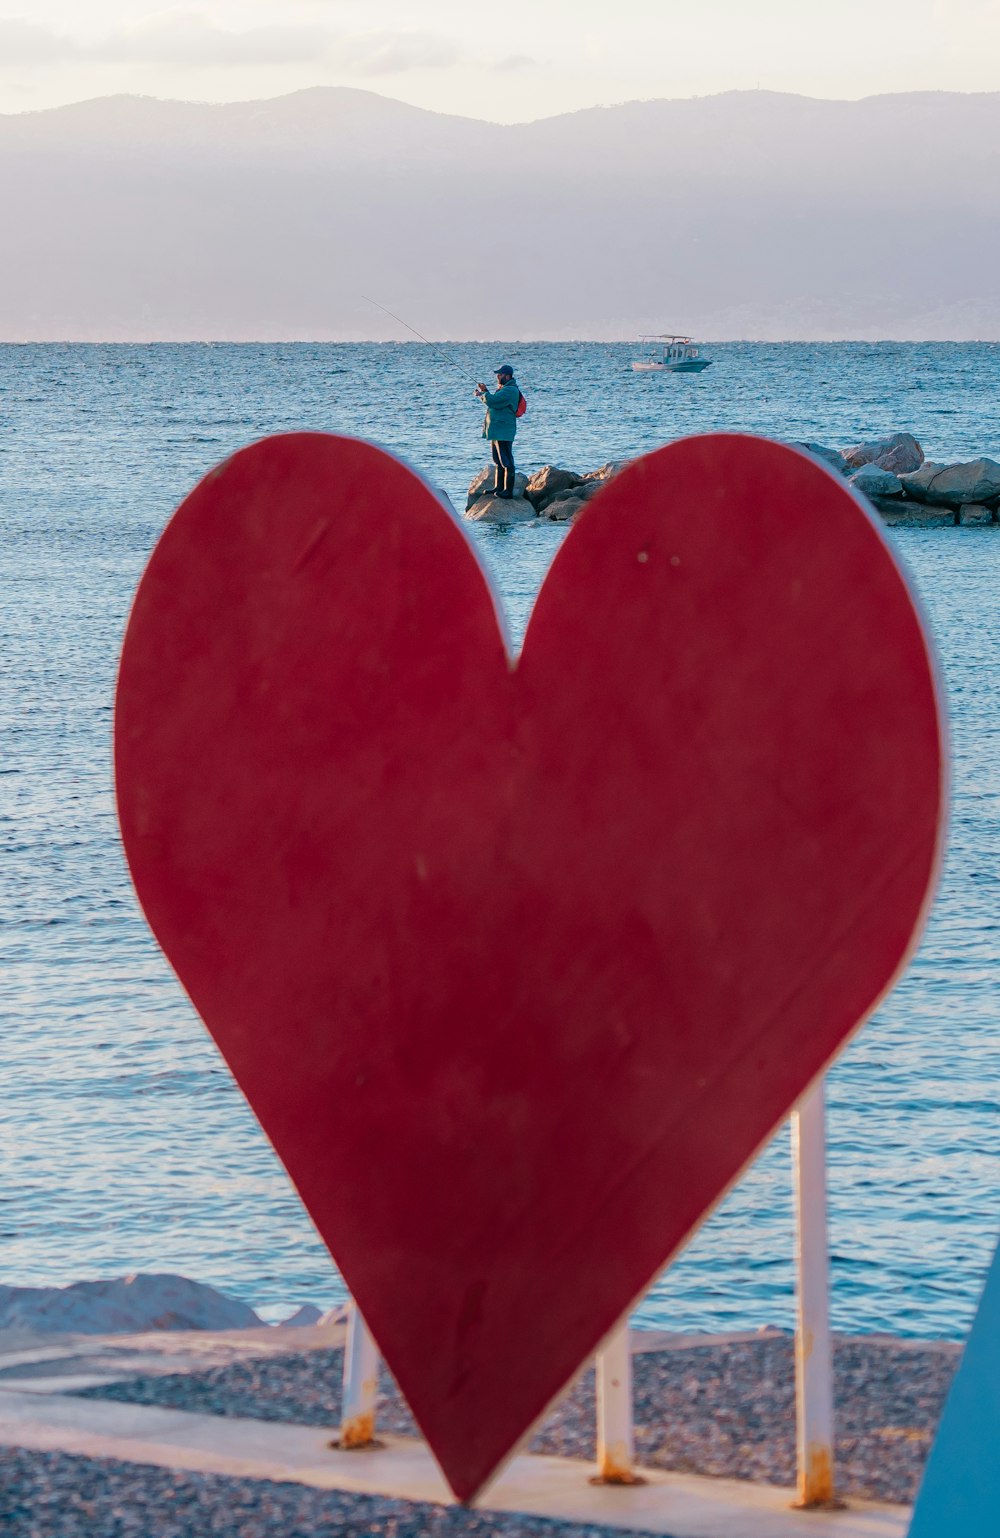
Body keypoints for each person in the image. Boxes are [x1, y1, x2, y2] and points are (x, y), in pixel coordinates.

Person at [475, 364, 520, 498]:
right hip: (497, 430)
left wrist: (484, 393)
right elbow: (493, 400)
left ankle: (508, 491)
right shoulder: (504, 389)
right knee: (497, 460)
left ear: (507, 376)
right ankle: (499, 487)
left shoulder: (510, 390)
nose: (497, 377)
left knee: (506, 460)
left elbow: (493, 401)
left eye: (500, 375)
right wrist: (485, 392)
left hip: (504, 430)